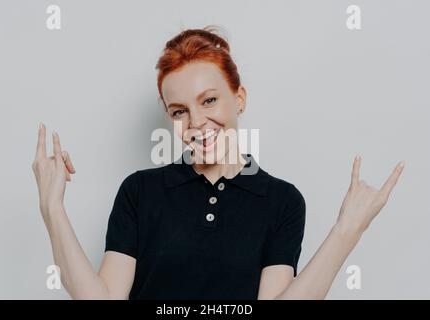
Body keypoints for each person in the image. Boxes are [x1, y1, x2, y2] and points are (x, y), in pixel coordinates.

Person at [31, 26, 405, 299]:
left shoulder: (282, 201)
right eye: (179, 111)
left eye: (209, 101)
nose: (196, 123)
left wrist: (347, 231)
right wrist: (53, 209)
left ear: (238, 98)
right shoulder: (140, 191)